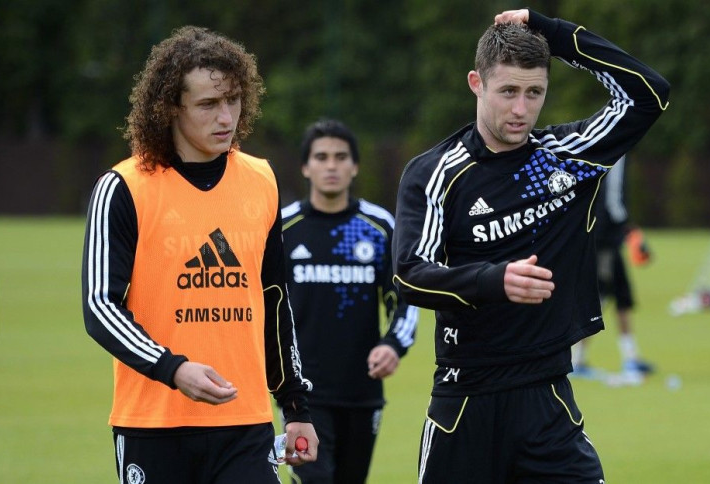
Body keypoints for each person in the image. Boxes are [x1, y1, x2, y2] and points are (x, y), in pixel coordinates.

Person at [392, 8, 669, 483]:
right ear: (476, 83)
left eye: (534, 92)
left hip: (548, 402)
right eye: (508, 92)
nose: (521, 109)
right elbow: (409, 274)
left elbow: (648, 94)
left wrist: (554, 33)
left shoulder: (569, 158)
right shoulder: (437, 173)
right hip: (466, 402)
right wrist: (493, 280)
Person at [81, 25, 318, 484]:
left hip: (244, 423)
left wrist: (295, 407)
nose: (226, 116)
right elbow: (99, 307)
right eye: (208, 104)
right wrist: (173, 369)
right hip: (153, 424)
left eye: (233, 100)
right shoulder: (124, 187)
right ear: (170, 108)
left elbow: (275, 301)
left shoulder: (260, 180)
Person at [280, 119, 419, 484]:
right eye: (321, 157)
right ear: (305, 166)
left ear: (354, 166)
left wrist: (393, 345)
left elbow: (405, 298)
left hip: (362, 391)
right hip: (301, 395)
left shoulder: (378, 226)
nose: (331, 165)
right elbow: (264, 305)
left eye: (341, 157)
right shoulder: (282, 228)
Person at [571, 155, 656, 385]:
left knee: (621, 295)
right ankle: (576, 360)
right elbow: (613, 199)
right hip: (604, 238)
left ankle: (630, 356)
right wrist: (628, 230)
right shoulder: (618, 152)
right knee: (598, 297)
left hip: (602, 236)